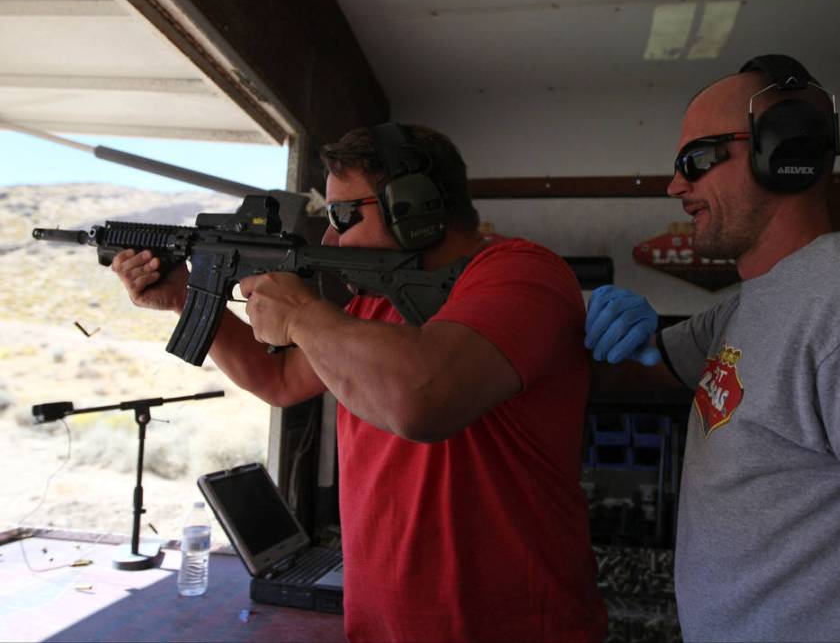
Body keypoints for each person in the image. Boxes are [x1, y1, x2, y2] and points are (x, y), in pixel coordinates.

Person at [111, 123, 607, 642]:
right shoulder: (376, 299)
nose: (330, 238)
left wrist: (302, 312)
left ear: (414, 206)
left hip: (511, 626)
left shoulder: (520, 273)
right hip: (385, 623)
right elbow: (279, 379)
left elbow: (424, 401)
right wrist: (186, 297)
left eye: (344, 217)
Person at [584, 55, 840, 641]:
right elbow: (635, 372)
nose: (677, 186)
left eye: (694, 161)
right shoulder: (750, 304)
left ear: (781, 154)